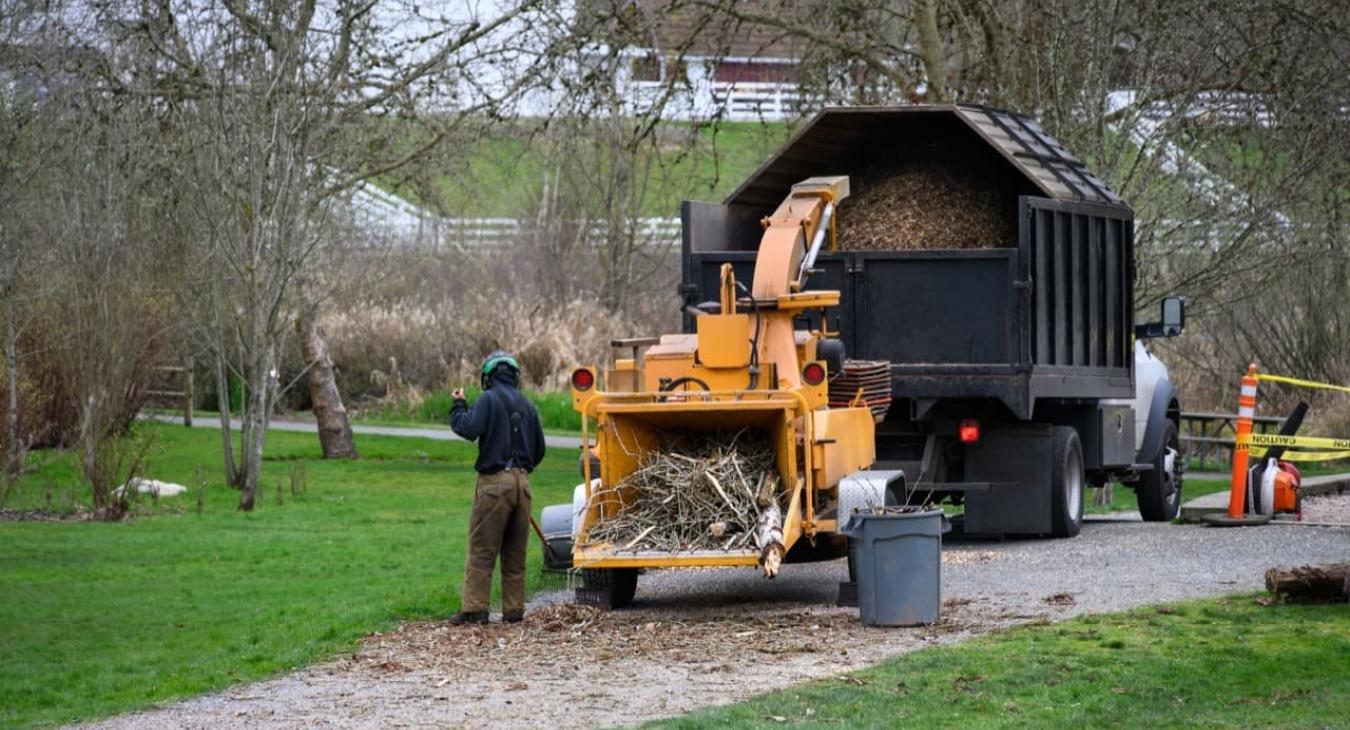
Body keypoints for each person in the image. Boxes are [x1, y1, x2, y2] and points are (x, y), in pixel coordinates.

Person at [446, 350, 546, 625]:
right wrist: (520, 471)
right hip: (522, 485)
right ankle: (513, 611)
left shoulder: (488, 399)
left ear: (488, 377)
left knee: (482, 549)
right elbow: (540, 450)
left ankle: (475, 610)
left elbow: (468, 428)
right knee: (515, 553)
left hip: (493, 484)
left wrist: (458, 405)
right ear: (514, 376)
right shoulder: (528, 405)